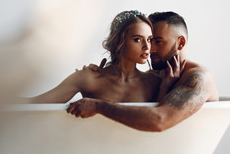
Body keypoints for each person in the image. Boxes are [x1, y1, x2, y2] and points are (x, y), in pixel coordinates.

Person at [67, 11, 219, 132]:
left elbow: (160, 121)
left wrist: (98, 106)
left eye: (157, 41)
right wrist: (99, 73)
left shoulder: (200, 78)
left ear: (180, 43)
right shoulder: (157, 76)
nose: (150, 48)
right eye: (149, 40)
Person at [19, 10, 161, 103]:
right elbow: (35, 104)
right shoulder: (88, 78)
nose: (147, 47)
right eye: (137, 39)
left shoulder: (154, 82)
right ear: (118, 41)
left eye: (149, 39)